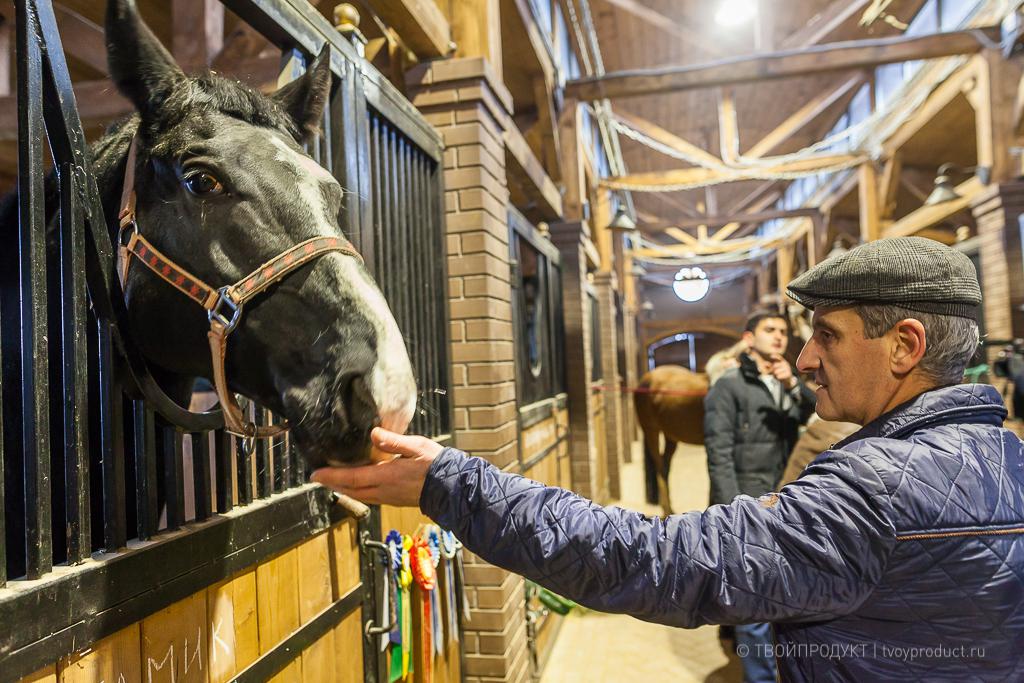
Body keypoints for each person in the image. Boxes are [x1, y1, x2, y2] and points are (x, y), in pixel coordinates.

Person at [313, 236, 1024, 680]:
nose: (805, 357)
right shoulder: (1010, 458)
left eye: (828, 337)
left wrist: (450, 481)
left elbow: (651, 558)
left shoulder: (874, 488)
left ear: (904, 345)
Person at [702, 309, 816, 682]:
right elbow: (718, 454)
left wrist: (794, 387)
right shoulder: (728, 386)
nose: (779, 337)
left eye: (783, 331)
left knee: (778, 596)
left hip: (783, 498)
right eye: (770, 330)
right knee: (753, 604)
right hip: (748, 503)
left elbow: (814, 416)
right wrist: (733, 511)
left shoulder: (783, 380)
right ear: (749, 339)